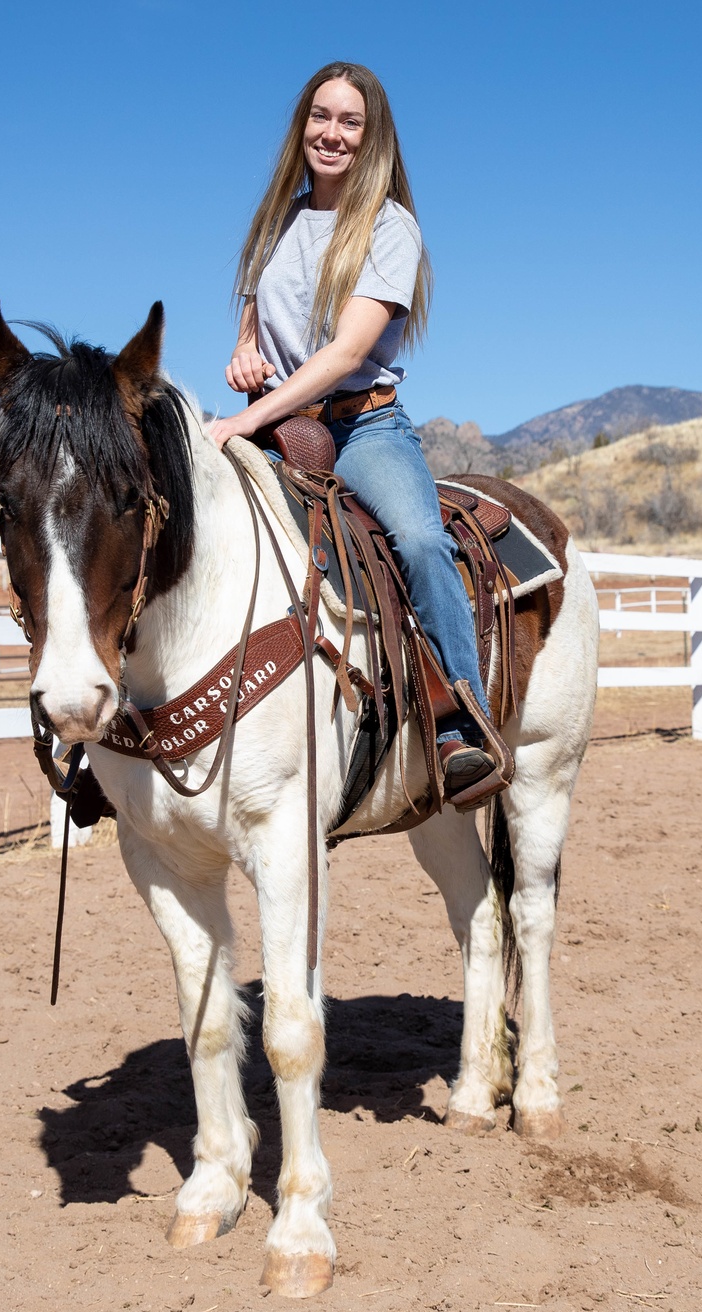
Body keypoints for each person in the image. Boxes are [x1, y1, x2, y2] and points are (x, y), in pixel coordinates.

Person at [208, 61, 502, 800]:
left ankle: (463, 724)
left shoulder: (391, 227)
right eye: (320, 116)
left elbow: (344, 352)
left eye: (350, 122)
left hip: (361, 425)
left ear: (372, 139)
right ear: (301, 125)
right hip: (281, 418)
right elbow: (255, 307)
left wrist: (246, 418)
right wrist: (244, 348)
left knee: (421, 539)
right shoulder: (276, 218)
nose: (331, 134)